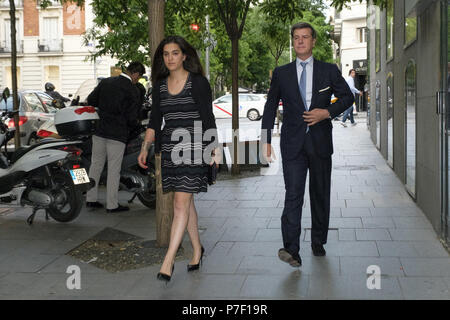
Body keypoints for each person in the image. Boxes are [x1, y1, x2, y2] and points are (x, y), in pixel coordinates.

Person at [261, 22, 354, 267]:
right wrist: (265, 139)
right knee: (293, 195)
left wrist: (327, 112)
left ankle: (318, 240)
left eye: (305, 37)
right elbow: (271, 105)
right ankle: (291, 249)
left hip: (321, 142)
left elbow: (348, 96)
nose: (300, 41)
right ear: (293, 42)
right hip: (292, 144)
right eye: (296, 38)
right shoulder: (282, 73)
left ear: (313, 41)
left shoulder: (329, 70)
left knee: (320, 193)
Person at [138, 36, 220, 283]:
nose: (170, 58)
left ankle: (168, 260)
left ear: (185, 56)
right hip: (171, 149)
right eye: (166, 54)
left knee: (179, 205)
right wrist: (145, 147)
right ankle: (197, 249)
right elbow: (155, 121)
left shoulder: (198, 83)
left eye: (175, 53)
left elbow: (208, 118)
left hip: (194, 146)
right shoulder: (160, 86)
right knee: (185, 202)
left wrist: (213, 151)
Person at [85, 61, 145, 212]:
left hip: (100, 130)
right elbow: (132, 117)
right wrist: (134, 124)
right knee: (113, 169)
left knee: (96, 165)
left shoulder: (106, 81)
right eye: (139, 77)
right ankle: (112, 205)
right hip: (117, 134)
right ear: (136, 74)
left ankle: (90, 199)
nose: (137, 80)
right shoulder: (132, 90)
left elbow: (91, 100)